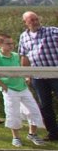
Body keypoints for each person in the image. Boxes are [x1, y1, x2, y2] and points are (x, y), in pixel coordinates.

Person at [0, 33, 45, 147]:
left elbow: (21, 68)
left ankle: (32, 134)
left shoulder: (15, 55)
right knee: (13, 113)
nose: (11, 46)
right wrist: (3, 85)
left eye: (12, 43)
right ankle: (16, 137)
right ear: (0, 44)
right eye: (8, 43)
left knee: (34, 110)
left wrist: (25, 77)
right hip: (10, 89)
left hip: (23, 87)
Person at [19, 11, 58, 141]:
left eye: (36, 19)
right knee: (45, 105)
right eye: (31, 20)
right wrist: (26, 75)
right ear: (25, 23)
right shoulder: (24, 37)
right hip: (38, 77)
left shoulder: (52, 31)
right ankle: (53, 133)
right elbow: (24, 57)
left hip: (55, 74)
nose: (35, 22)